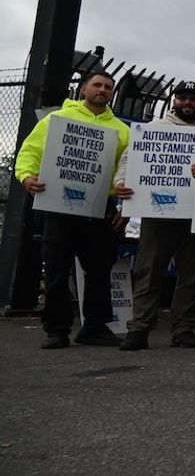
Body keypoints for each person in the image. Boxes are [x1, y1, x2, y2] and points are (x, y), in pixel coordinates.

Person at [16, 71, 129, 349]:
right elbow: (29, 151)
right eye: (97, 85)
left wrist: (125, 206)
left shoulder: (122, 129)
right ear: (82, 89)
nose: (103, 90)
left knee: (100, 271)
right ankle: (56, 330)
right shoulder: (56, 120)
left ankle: (94, 327)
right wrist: (27, 176)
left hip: (100, 206)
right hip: (57, 205)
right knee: (56, 270)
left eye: (108, 87)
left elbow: (128, 171)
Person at [116, 80, 195, 351]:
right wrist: (121, 183)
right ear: (174, 100)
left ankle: (183, 327)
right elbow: (129, 160)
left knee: (191, 275)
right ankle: (139, 328)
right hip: (157, 215)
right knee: (148, 270)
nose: (187, 103)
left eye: (193, 99)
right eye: (182, 97)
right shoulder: (152, 130)